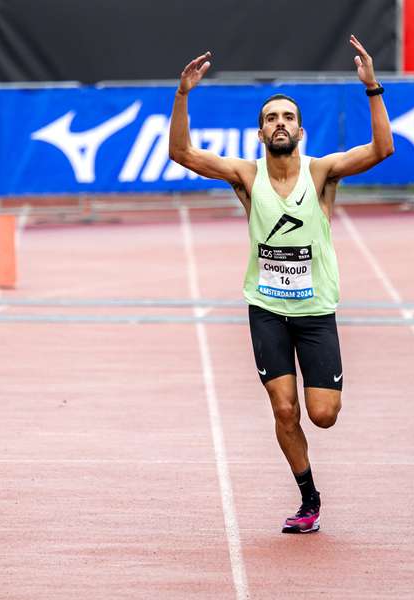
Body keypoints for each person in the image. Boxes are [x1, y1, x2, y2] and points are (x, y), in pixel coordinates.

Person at [168, 35, 394, 534]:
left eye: (288, 117)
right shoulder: (247, 176)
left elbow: (383, 148)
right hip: (266, 309)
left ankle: (314, 458)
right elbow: (181, 152)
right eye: (271, 118)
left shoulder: (323, 173)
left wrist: (372, 87)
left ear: (301, 129)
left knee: (324, 414)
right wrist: (183, 96)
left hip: (315, 311)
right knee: (284, 407)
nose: (280, 125)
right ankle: (308, 498)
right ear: (259, 133)